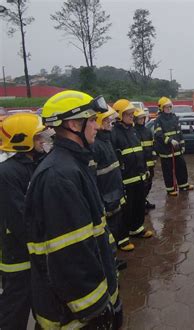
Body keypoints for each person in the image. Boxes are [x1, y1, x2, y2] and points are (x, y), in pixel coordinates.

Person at [24, 90, 121, 328]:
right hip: (76, 316)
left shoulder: (75, 164)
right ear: (73, 124)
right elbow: (70, 254)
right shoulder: (59, 176)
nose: (97, 126)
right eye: (91, 120)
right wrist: (95, 309)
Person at [0, 113, 45, 330]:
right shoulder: (7, 173)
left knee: (43, 304)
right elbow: (18, 218)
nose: (42, 141)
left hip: (36, 251)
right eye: (37, 138)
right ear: (23, 140)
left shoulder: (37, 164)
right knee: (15, 308)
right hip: (17, 255)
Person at [93, 106, 135, 252]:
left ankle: (114, 256)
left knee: (117, 224)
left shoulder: (106, 140)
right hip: (106, 195)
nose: (109, 122)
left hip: (114, 190)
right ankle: (111, 259)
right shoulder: (96, 145)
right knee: (108, 230)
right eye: (105, 120)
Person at [111, 99, 153, 239]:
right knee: (127, 209)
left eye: (131, 113)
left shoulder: (133, 131)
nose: (131, 116)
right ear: (119, 115)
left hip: (139, 176)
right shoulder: (114, 134)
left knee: (139, 205)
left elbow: (139, 152)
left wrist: (145, 168)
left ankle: (137, 229)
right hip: (126, 180)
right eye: (128, 113)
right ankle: (124, 235)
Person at [154, 97, 194, 196]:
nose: (168, 108)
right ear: (161, 108)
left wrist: (182, 144)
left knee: (182, 167)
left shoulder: (174, 117)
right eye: (166, 107)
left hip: (177, 149)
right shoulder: (158, 120)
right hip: (166, 151)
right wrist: (170, 140)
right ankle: (170, 189)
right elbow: (158, 135)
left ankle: (183, 185)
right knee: (168, 171)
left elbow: (179, 132)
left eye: (169, 107)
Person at [133, 108, 156, 210]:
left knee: (149, 183)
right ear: (135, 119)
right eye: (139, 118)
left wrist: (154, 157)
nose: (142, 120)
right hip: (141, 164)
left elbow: (152, 145)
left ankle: (144, 201)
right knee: (142, 185)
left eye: (143, 118)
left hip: (150, 162)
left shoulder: (147, 131)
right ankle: (141, 205)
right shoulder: (134, 132)